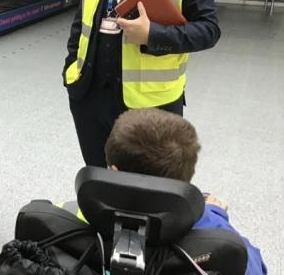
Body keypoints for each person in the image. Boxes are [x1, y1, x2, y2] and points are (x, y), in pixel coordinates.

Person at [62, 0, 221, 167]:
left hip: (150, 107)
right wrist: (71, 70)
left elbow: (209, 30)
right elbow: (82, 18)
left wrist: (153, 35)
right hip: (89, 95)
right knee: (98, 176)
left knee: (143, 189)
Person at [104, 108, 267, 274]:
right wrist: (214, 215)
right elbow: (253, 267)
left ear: (113, 172)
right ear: (186, 179)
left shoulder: (81, 223)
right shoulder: (222, 242)